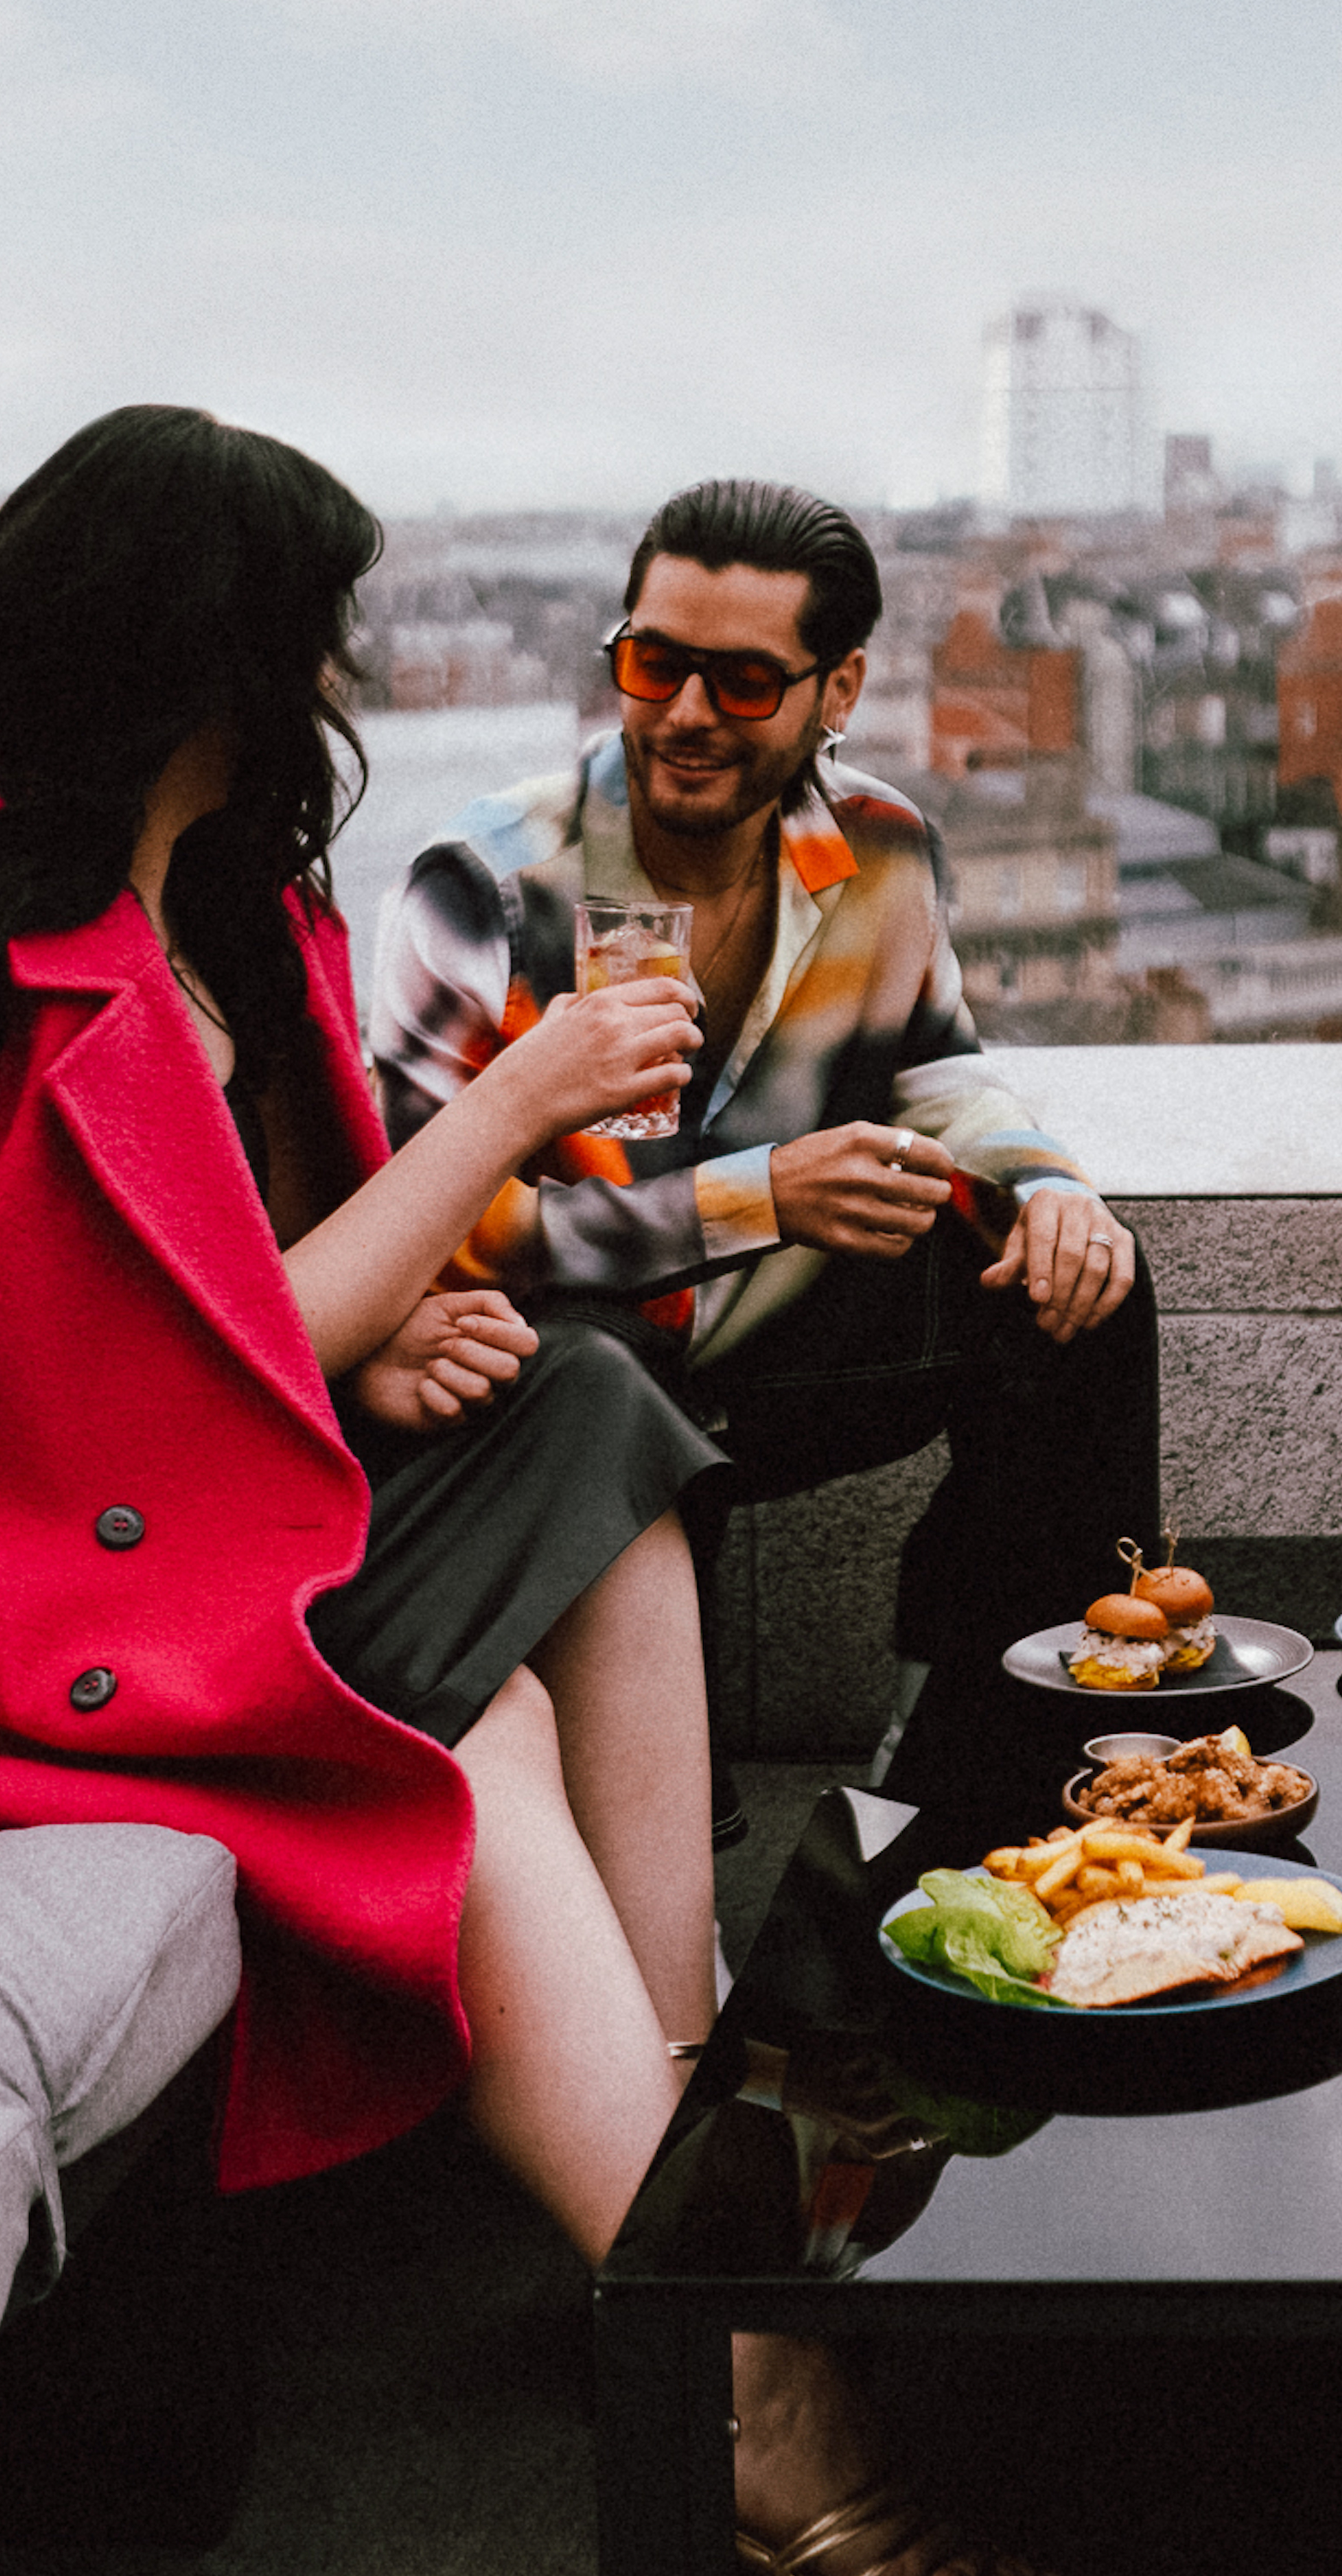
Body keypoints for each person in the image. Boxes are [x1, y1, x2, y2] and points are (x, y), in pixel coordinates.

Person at [0, 407, 1042, 2576]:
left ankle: (707, 2093)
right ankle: (746, 2378)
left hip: (194, 1526)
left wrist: (397, 1316)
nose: (343, 671)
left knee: (597, 1420)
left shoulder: (226, 917)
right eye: (318, 629)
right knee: (465, 1745)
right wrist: (505, 1117)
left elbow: (241, 1299)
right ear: (219, 659)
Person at [371, 478, 1153, 1763]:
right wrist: (761, 1195)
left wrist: (1054, 1187)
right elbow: (421, 1230)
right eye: (653, 662)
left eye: (741, 682)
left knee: (1080, 1298)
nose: (682, 714)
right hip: (565, 1354)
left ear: (836, 692)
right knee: (605, 1370)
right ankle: (672, 1827)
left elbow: (936, 1069)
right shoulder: (489, 882)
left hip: (772, 1335)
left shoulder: (884, 847)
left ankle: (996, 1758)